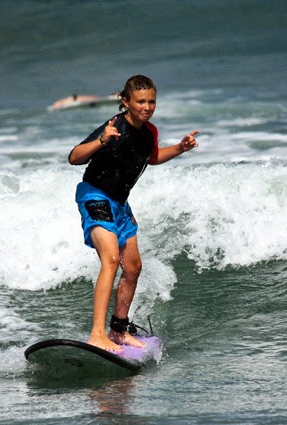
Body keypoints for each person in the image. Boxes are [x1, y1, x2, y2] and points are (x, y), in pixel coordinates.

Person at [69, 75, 199, 353]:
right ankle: (97, 334)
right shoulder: (113, 126)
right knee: (111, 260)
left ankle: (118, 330)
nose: (147, 106)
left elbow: (151, 158)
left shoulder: (149, 131)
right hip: (95, 195)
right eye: (141, 101)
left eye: (152, 101)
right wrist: (102, 140)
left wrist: (180, 148)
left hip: (120, 203)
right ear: (125, 102)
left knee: (133, 267)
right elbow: (75, 157)